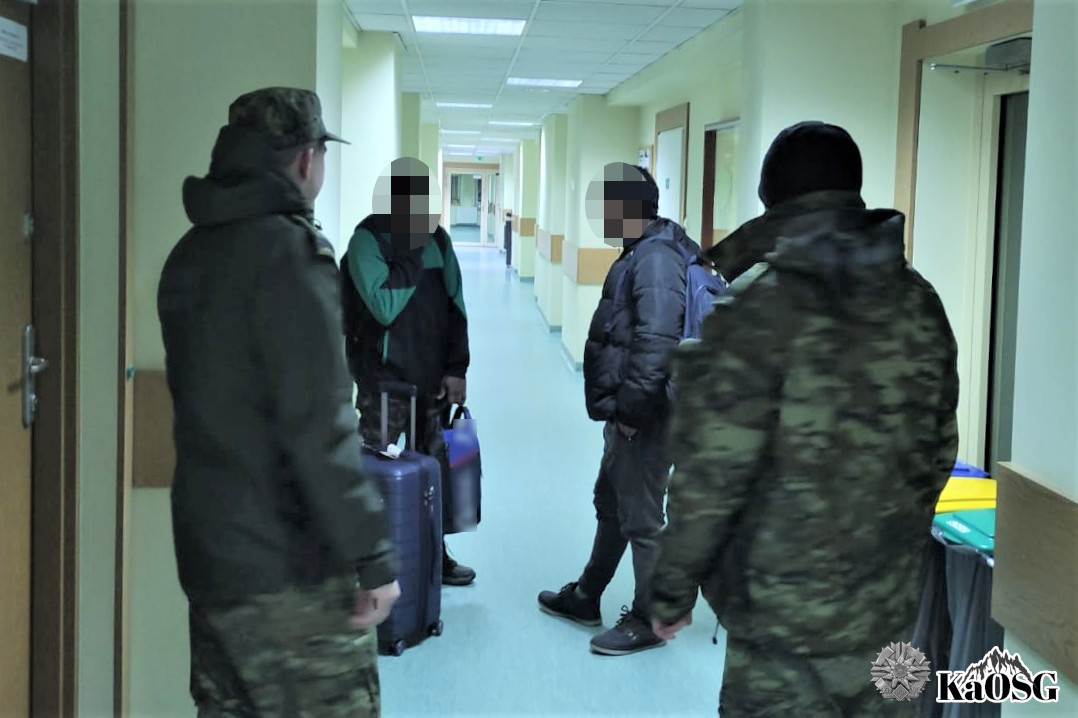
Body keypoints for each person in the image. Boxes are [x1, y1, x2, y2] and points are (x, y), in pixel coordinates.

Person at [649, 121, 959, 717]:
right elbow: (939, 450)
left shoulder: (761, 309)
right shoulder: (920, 302)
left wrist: (671, 590)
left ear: (770, 200)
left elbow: (712, 475)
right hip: (888, 614)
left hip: (783, 628)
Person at [157, 87, 400, 716]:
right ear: (305, 159)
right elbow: (320, 427)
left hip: (211, 559)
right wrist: (372, 556)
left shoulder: (188, 255)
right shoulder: (290, 255)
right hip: (288, 570)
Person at [538, 163, 701, 656]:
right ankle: (587, 595)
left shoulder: (656, 259)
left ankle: (650, 620)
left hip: (646, 414)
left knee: (642, 518)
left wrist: (632, 410)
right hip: (630, 409)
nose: (601, 218)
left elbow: (656, 340)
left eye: (606, 207)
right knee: (611, 502)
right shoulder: (644, 250)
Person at [341, 157, 476, 587]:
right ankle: (368, 564)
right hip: (384, 386)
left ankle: (434, 555)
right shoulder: (367, 242)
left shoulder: (439, 241)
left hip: (432, 385)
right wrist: (413, 251)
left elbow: (456, 307)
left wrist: (457, 368)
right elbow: (384, 306)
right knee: (374, 474)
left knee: (436, 475)